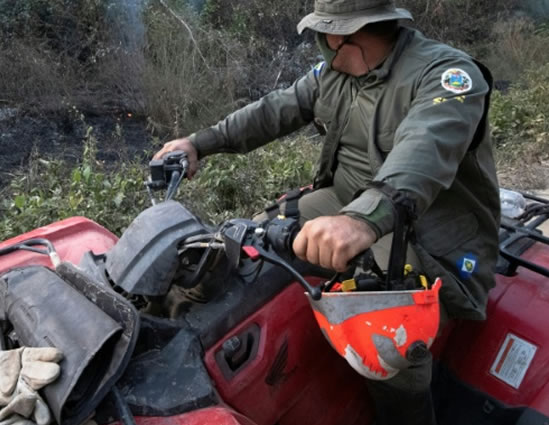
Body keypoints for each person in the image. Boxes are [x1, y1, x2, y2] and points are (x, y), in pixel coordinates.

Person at [153, 0, 500, 423]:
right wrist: (198, 143)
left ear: (344, 36)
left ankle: (408, 413)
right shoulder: (336, 72)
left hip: (426, 232)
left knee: (386, 336)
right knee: (243, 247)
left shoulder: (446, 77)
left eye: (323, 38)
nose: (322, 49)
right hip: (344, 203)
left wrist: (361, 220)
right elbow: (273, 110)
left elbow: (423, 153)